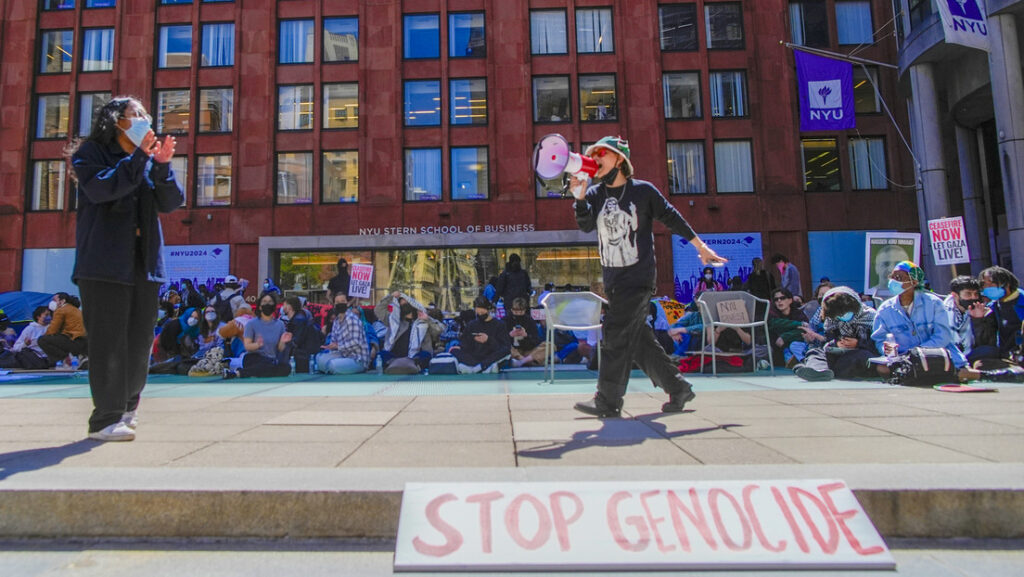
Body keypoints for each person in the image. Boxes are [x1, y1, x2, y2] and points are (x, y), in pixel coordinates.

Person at [567, 135, 725, 417]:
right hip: (614, 281)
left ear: (619, 159)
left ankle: (607, 400)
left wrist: (700, 247)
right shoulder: (595, 194)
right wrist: (579, 198)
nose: (594, 158)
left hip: (638, 278)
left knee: (615, 333)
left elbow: (672, 217)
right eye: (592, 153)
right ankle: (678, 388)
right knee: (637, 340)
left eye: (601, 153)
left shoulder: (643, 192)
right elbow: (586, 225)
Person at [69, 95, 183, 441]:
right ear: (116, 120)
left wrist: (161, 165)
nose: (143, 119)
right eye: (136, 114)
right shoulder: (89, 155)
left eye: (145, 114)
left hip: (143, 263)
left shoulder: (146, 160)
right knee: (108, 341)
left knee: (139, 339)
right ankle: (104, 418)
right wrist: (139, 158)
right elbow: (105, 188)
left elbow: (171, 201)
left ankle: (128, 408)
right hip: (103, 264)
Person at [871, 261, 970, 378]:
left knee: (961, 373)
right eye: (892, 277)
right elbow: (879, 339)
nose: (893, 281)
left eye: (898, 277)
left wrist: (919, 352)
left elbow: (943, 336)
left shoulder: (934, 303)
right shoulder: (885, 309)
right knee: (882, 368)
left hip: (936, 356)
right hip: (904, 359)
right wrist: (886, 348)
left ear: (914, 282)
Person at [793, 287, 877, 381]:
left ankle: (817, 369)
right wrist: (836, 343)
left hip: (861, 352)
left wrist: (858, 343)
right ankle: (818, 370)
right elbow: (828, 340)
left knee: (858, 357)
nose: (843, 316)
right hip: (838, 352)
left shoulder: (870, 316)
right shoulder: (831, 320)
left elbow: (877, 343)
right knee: (816, 352)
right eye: (839, 315)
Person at [223, 292, 292, 378]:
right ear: (260, 306)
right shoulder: (251, 324)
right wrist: (257, 345)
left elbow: (280, 348)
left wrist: (283, 341)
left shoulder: (280, 324)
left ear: (274, 305)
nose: (267, 304)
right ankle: (237, 374)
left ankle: (248, 372)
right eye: (264, 302)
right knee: (266, 365)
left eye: (270, 302)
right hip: (253, 357)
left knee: (286, 368)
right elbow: (247, 346)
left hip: (271, 360)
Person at [375, 291, 444, 372]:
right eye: (401, 304)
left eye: (406, 302)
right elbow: (378, 310)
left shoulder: (423, 321)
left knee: (426, 355)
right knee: (381, 356)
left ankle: (411, 366)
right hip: (394, 356)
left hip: (415, 357)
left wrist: (428, 319)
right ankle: (395, 365)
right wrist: (390, 297)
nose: (404, 305)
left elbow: (440, 330)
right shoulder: (393, 320)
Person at [943, 275, 998, 364]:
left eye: (976, 294)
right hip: (949, 355)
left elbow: (987, 343)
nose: (973, 298)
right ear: (955, 295)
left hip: (971, 355)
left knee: (989, 351)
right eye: (968, 294)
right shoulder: (941, 312)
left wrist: (978, 320)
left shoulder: (984, 310)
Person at [451, 296, 511, 373]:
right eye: (478, 313)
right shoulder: (471, 325)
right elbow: (465, 343)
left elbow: (504, 346)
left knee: (505, 351)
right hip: (474, 355)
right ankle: (481, 367)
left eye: (482, 313)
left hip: (491, 354)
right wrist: (459, 346)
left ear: (488, 309)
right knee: (454, 350)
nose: (480, 314)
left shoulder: (500, 325)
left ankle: (478, 367)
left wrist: (488, 340)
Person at [978, 266, 1024, 365]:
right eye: (983, 284)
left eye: (990, 283)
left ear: (1006, 283)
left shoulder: (1022, 301)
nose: (986, 287)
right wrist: (979, 319)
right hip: (1005, 355)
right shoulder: (992, 306)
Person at [316, 293, 369, 374]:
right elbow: (334, 342)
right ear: (334, 304)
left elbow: (356, 343)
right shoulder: (336, 321)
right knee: (319, 358)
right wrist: (330, 346)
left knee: (332, 365)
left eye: (342, 301)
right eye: (337, 302)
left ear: (347, 303)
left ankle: (331, 368)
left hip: (357, 359)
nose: (340, 303)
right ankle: (331, 368)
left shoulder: (352, 319)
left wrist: (338, 346)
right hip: (342, 355)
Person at [37, 293, 88, 368]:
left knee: (42, 340)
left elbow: (52, 330)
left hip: (73, 341)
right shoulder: (76, 310)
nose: (52, 302)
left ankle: (65, 358)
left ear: (62, 301)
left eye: (54, 300)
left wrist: (45, 334)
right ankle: (81, 356)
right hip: (84, 342)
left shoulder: (61, 310)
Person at [280, 296, 323, 373]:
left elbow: (297, 341)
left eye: (284, 305)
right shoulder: (297, 319)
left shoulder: (298, 321)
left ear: (289, 307)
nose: (282, 307)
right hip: (302, 355)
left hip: (302, 356)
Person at [506, 297, 545, 367]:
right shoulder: (505, 320)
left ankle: (523, 361)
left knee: (549, 345)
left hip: (528, 351)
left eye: (521, 312)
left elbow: (536, 340)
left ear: (524, 310)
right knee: (505, 348)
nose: (518, 314)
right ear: (511, 310)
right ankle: (527, 361)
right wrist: (510, 335)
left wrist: (526, 335)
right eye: (515, 311)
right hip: (514, 351)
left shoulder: (530, 321)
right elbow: (499, 340)